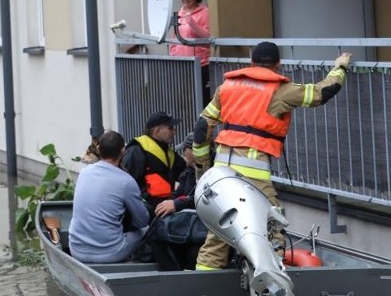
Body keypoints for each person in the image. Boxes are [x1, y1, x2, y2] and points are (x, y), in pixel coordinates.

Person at [191, 41, 353, 270]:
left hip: (221, 170)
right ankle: (271, 290)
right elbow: (322, 92)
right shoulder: (279, 91)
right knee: (271, 228)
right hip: (253, 173)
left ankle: (201, 292)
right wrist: (340, 67)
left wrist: (202, 170)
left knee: (220, 229)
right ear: (278, 64)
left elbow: (201, 127)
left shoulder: (226, 87)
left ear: (251, 62)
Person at [68, 129, 149, 264]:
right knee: (146, 230)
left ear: (99, 149)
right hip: (109, 253)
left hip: (76, 250)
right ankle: (138, 262)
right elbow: (142, 221)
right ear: (123, 151)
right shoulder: (126, 181)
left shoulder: (83, 173)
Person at [146, 139, 207, 271]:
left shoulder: (212, 171)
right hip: (187, 223)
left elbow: (203, 197)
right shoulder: (188, 172)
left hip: (202, 227)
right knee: (155, 233)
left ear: (193, 150)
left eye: (185, 150)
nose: (184, 154)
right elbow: (178, 194)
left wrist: (177, 204)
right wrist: (168, 203)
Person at [122, 112, 186, 211]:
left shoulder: (170, 154)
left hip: (166, 211)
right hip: (145, 213)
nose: (174, 131)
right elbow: (126, 184)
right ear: (157, 131)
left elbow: (186, 175)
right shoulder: (136, 150)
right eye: (170, 128)